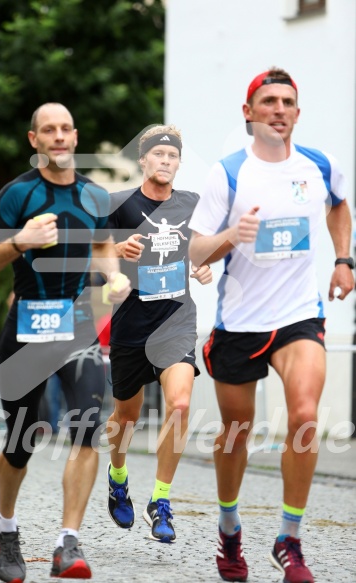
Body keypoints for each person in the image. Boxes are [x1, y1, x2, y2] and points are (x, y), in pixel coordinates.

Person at [188, 68, 355, 583]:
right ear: (249, 112)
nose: (278, 109)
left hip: (299, 315)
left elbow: (339, 205)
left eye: (287, 101)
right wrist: (230, 238)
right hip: (239, 322)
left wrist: (344, 260)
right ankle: (229, 526)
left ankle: (290, 539)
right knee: (236, 433)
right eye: (268, 101)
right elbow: (194, 247)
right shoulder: (229, 173)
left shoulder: (318, 165)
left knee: (304, 416)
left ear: (297, 114)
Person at [0, 102, 130, 582]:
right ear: (33, 139)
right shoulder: (18, 194)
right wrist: (20, 241)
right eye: (48, 130)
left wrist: (114, 276)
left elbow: (102, 243)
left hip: (77, 325)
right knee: (22, 438)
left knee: (88, 426)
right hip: (26, 330)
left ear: (75, 137)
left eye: (65, 129)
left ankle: (68, 543)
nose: (58, 136)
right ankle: (6, 527)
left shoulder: (95, 195)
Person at [105, 124, 212, 543]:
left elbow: (200, 249)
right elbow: (90, 255)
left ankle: (161, 501)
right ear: (143, 160)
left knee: (180, 405)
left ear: (178, 164)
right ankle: (118, 476)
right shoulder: (119, 204)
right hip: (131, 326)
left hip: (176, 323)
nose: (165, 162)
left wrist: (203, 265)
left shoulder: (191, 204)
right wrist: (115, 250)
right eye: (158, 155)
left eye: (172, 157)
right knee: (126, 418)